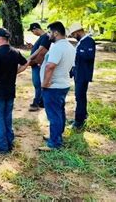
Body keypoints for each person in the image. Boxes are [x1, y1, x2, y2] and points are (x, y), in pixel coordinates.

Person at [39, 21, 75, 151]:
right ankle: (56, 137)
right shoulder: (70, 47)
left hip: (54, 87)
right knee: (59, 112)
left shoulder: (58, 47)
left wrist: (45, 83)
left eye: (49, 32)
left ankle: (54, 143)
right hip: (62, 84)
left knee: (54, 114)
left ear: (56, 33)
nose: (48, 35)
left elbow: (50, 66)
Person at [68, 23, 96, 129]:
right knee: (79, 96)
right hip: (78, 72)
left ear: (78, 32)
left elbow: (89, 56)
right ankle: (81, 116)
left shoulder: (89, 41)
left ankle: (79, 121)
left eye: (74, 34)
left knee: (80, 97)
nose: (73, 37)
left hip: (83, 74)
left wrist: (76, 52)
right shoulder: (81, 42)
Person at [26, 23, 51, 111]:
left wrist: (29, 59)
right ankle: (41, 101)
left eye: (32, 31)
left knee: (38, 84)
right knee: (37, 83)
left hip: (38, 64)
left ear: (36, 29)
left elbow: (41, 51)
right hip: (36, 64)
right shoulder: (42, 38)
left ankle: (37, 102)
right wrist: (32, 47)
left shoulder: (45, 37)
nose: (33, 33)